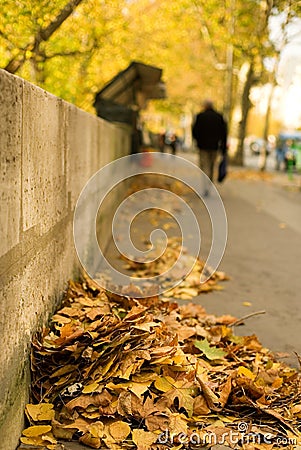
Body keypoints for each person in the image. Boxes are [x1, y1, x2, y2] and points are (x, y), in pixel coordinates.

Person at [192, 99, 227, 196]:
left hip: (203, 146)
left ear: (205, 106)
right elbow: (224, 133)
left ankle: (206, 185)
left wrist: (197, 141)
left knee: (204, 165)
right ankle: (209, 181)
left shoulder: (200, 116)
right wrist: (223, 147)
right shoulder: (219, 117)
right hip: (215, 146)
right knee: (212, 165)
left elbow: (195, 131)